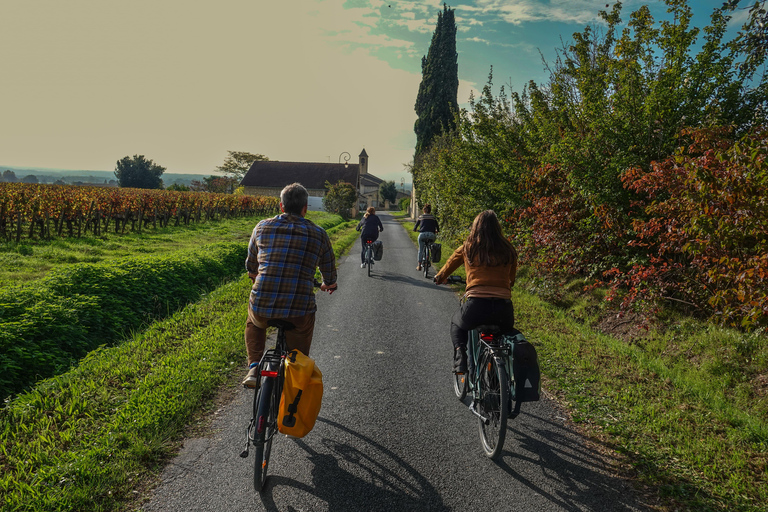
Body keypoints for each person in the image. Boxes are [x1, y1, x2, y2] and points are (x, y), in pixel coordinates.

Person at [242, 183, 338, 387]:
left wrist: (255, 275)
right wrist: (328, 284)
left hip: (262, 303)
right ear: (305, 208)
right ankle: (294, 376)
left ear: (281, 206)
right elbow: (329, 273)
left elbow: (251, 265)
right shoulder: (319, 233)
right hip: (298, 309)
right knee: (299, 341)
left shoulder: (261, 227)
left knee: (254, 322)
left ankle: (254, 366)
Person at [434, 210, 517, 374]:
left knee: (456, 323)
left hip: (476, 306)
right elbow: (511, 280)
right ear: (497, 228)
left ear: (476, 227)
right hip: (504, 309)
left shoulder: (468, 247)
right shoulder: (508, 249)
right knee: (501, 336)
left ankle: (460, 357)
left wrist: (439, 277)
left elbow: (449, 264)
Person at [413, 204, 439, 271]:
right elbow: (437, 226)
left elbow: (416, 226)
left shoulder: (421, 217)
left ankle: (419, 265)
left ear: (424, 210)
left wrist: (415, 229)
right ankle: (430, 248)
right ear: (430, 211)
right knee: (431, 243)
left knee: (421, 250)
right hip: (431, 235)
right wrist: (437, 231)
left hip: (422, 235)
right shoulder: (433, 217)